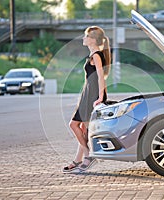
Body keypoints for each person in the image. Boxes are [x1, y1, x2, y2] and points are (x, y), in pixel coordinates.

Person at [63, 26, 111, 173]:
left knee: (74, 125)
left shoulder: (96, 55)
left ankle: (88, 155)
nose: (83, 38)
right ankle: (78, 159)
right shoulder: (93, 54)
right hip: (88, 94)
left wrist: (101, 97)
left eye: (85, 36)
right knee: (82, 128)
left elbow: (101, 77)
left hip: (93, 95)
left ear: (92, 39)